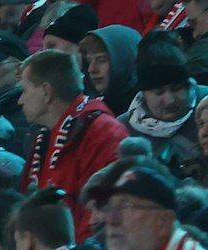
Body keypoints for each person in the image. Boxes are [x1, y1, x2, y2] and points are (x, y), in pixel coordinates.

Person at [17, 49, 130, 239]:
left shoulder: (103, 132)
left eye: (25, 91)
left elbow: (104, 213)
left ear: (46, 91)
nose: (20, 100)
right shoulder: (42, 138)